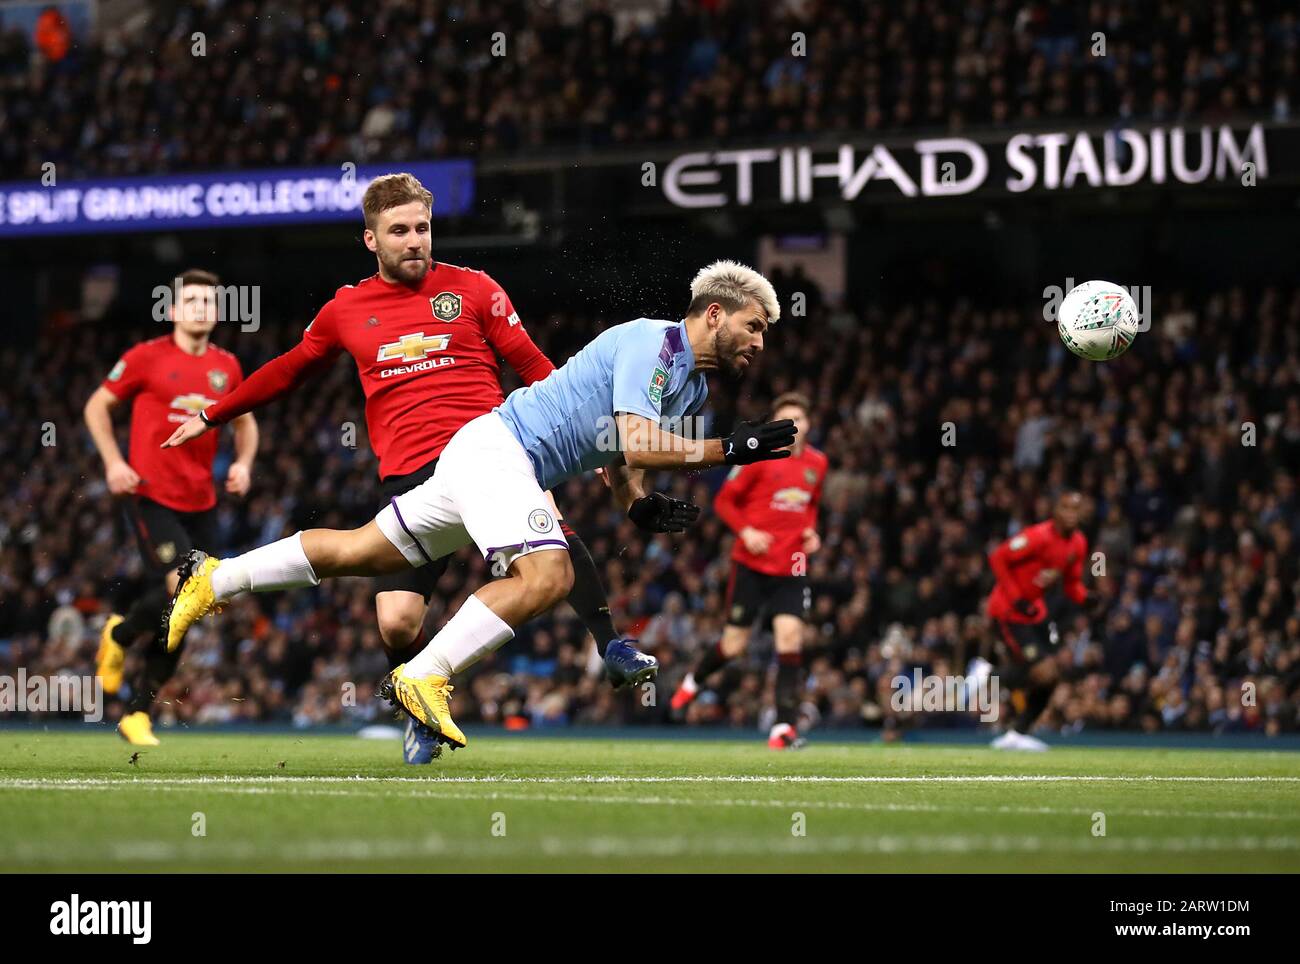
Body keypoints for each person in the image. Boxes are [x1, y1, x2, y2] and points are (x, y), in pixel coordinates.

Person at [162, 260, 794, 754]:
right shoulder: (655, 346)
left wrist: (637, 504)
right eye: (755, 327)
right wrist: (732, 447)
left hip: (485, 453)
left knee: (360, 551)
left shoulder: (688, 382)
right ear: (715, 314)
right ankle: (425, 675)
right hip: (501, 451)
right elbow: (634, 437)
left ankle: (214, 577)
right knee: (549, 574)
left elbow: (626, 456)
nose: (761, 342)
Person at [161, 173, 624, 763]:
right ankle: (412, 695)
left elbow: (539, 370)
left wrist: (591, 438)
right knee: (397, 619)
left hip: (489, 454)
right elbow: (289, 369)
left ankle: (609, 644)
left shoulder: (475, 289)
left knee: (547, 558)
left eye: (423, 229)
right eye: (399, 230)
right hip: (412, 474)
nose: (414, 241)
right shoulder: (347, 308)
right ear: (370, 240)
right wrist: (215, 413)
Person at [84, 269, 258, 746]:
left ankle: (122, 645)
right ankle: (137, 711)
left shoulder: (227, 367)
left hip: (202, 502)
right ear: (175, 310)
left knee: (191, 604)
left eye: (210, 302)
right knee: (179, 589)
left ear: (217, 312)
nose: (202, 309)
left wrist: (243, 464)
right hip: (150, 495)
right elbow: (96, 407)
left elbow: (245, 423)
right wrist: (114, 463)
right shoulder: (146, 358)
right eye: (193, 301)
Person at [670, 391, 825, 749]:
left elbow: (811, 504)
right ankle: (693, 681)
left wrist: (810, 531)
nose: (794, 426)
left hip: (792, 565)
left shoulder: (818, 463)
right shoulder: (759, 459)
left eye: (799, 420)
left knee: (790, 640)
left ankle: (783, 728)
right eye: (786, 420)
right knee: (734, 644)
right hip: (751, 565)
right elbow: (724, 500)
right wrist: (747, 531)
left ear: (809, 425)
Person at [971, 491, 1098, 750]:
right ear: (1056, 511)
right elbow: (998, 557)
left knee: (1051, 676)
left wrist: (1086, 598)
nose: (1072, 515)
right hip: (1009, 610)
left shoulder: (1078, 544)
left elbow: (1071, 584)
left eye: (1077, 509)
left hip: (1035, 613)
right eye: (1066, 508)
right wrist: (1017, 598)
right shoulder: (1037, 536)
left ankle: (1017, 734)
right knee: (1042, 670)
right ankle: (987, 674)